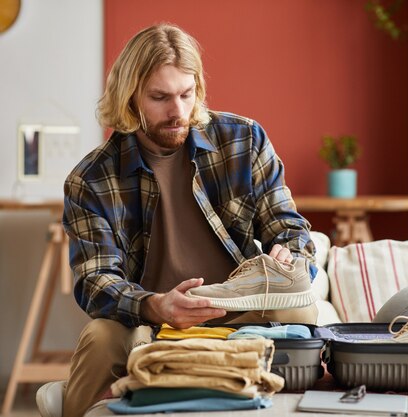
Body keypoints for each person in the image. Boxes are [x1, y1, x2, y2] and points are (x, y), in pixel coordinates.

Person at [61, 23, 317, 417]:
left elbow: (291, 228)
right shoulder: (91, 179)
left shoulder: (243, 140)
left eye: (186, 93)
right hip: (150, 322)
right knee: (100, 337)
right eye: (160, 97)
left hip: (239, 311)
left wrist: (289, 255)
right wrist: (155, 306)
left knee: (297, 310)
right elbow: (95, 281)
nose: (178, 111)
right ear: (130, 98)